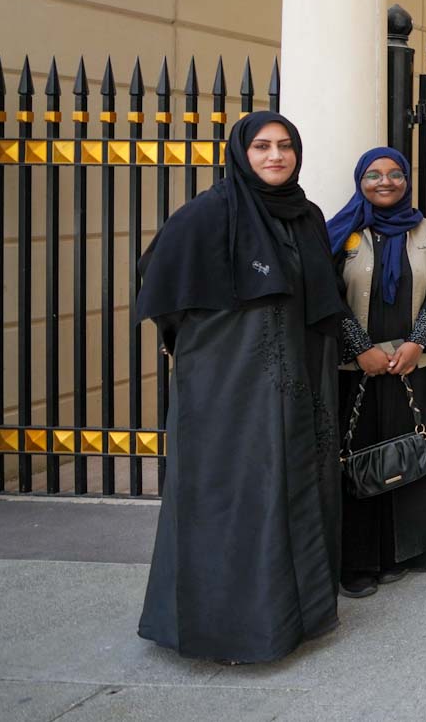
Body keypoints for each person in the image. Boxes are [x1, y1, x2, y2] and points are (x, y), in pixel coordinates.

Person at [135, 112, 348, 663]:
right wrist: (180, 342)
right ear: (240, 153)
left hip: (294, 378)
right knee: (232, 493)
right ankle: (225, 629)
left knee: (290, 486)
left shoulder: (305, 215)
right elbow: (161, 278)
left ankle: (291, 618)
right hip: (227, 387)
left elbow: (318, 298)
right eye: (261, 146)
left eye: (285, 146)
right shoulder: (209, 213)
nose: (275, 156)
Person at [326, 147, 426, 597]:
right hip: (356, 369)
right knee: (356, 458)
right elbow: (326, 292)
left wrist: (419, 342)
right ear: (360, 180)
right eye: (374, 174)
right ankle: (358, 560)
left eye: (396, 174)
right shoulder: (340, 232)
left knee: (407, 454)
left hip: (412, 365)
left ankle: (403, 550)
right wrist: (360, 349)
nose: (386, 182)